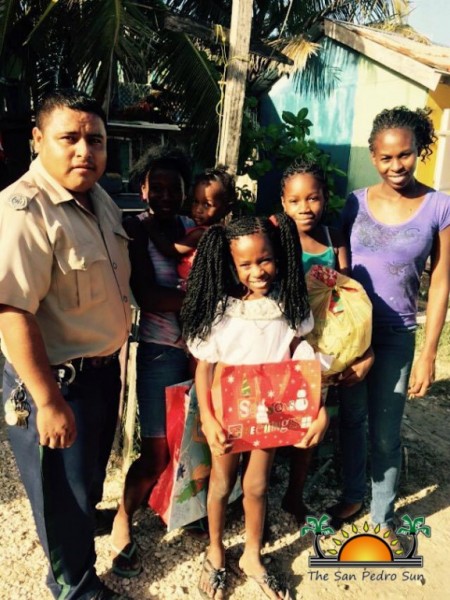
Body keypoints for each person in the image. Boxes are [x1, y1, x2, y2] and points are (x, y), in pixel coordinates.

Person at [0, 89, 132, 600]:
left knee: (85, 483)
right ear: (38, 140)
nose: (84, 151)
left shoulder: (96, 198)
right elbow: (12, 311)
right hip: (55, 381)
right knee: (61, 496)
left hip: (100, 372)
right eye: (69, 138)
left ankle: (76, 548)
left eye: (94, 140)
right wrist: (48, 401)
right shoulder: (24, 209)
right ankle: (74, 587)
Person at [181, 214, 328, 600]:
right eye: (245, 263)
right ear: (230, 264)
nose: (257, 270)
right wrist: (209, 418)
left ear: (277, 255)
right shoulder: (220, 311)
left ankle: (251, 554)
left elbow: (303, 360)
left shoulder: (290, 307)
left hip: (270, 412)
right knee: (220, 482)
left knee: (257, 485)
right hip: (225, 411)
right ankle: (215, 551)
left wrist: (319, 408)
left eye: (264, 259)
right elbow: (204, 370)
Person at [330, 106, 450, 534]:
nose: (396, 165)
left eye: (405, 155)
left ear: (419, 151)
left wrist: (428, 352)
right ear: (373, 155)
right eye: (386, 157)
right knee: (351, 417)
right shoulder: (354, 203)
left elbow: (440, 283)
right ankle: (351, 495)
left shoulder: (439, 207)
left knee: (384, 428)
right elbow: (337, 269)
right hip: (353, 335)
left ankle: (383, 512)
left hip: (399, 333)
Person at [110, 147, 192, 575]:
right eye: (155, 187)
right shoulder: (134, 230)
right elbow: (149, 295)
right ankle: (123, 518)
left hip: (201, 353)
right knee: (157, 450)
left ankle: (176, 508)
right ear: (142, 190)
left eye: (172, 187)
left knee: (190, 444)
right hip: (161, 352)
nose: (164, 195)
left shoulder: (194, 227)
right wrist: (201, 299)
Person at [278, 158, 374, 525]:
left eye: (313, 198)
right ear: (283, 204)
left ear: (325, 198)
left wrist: (364, 351)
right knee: (269, 415)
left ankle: (294, 494)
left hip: (320, 347)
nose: (305, 208)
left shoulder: (334, 239)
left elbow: (351, 296)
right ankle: (255, 487)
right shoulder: (277, 236)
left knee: (310, 423)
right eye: (296, 201)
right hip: (280, 343)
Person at [144, 166, 236, 290]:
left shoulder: (201, 233)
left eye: (207, 204)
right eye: (196, 202)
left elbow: (170, 250)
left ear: (226, 208)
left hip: (191, 289)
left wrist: (152, 228)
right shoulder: (221, 231)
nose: (198, 209)